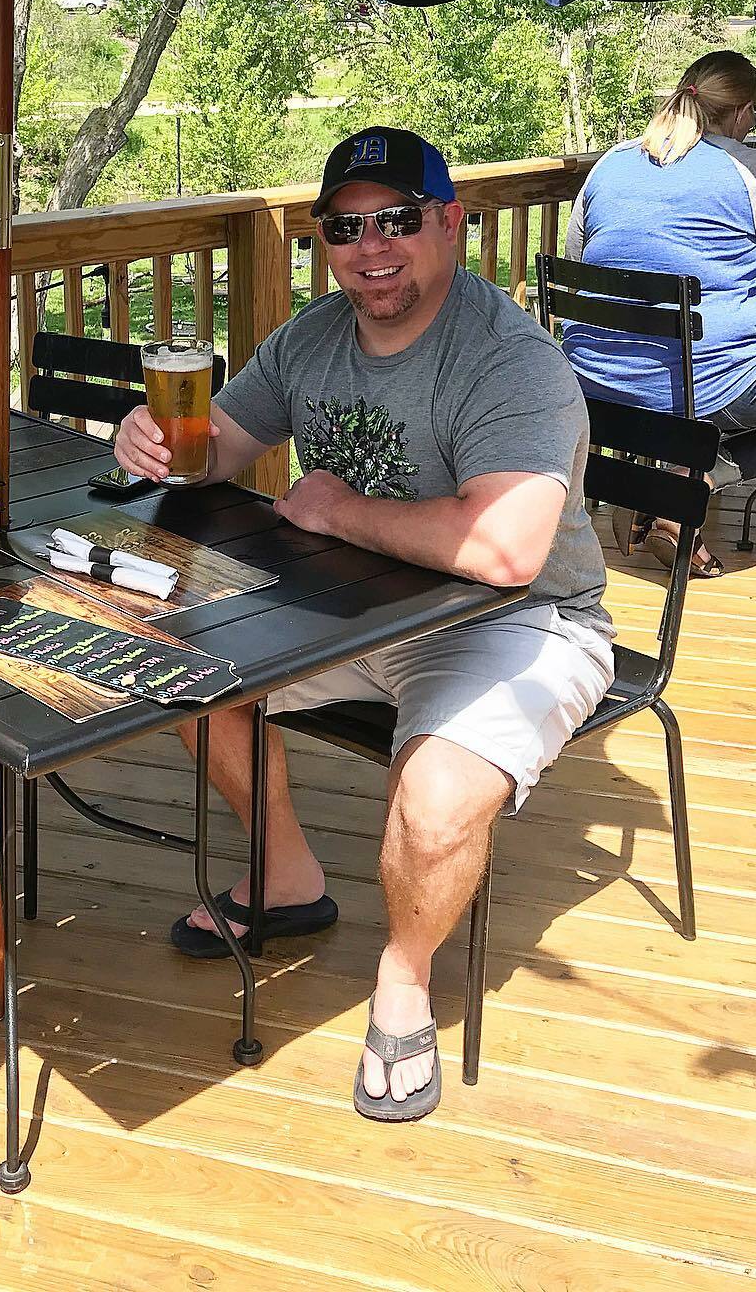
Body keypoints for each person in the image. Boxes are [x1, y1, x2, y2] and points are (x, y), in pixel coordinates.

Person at [114, 126, 614, 1123]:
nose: (371, 246)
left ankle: (405, 974)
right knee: (176, 661)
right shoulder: (313, 337)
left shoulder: (507, 360)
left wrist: (338, 509)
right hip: (350, 608)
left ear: (450, 222)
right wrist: (162, 442)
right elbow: (224, 445)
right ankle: (286, 877)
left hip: (518, 620)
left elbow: (507, 550)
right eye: (345, 228)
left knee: (434, 806)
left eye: (397, 219)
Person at [563, 50, 756, 575]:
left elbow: (576, 261)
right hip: (699, 385)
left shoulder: (611, 163)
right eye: (755, 116)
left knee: (740, 382)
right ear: (743, 112)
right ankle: (691, 484)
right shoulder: (751, 172)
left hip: (595, 380)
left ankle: (674, 488)